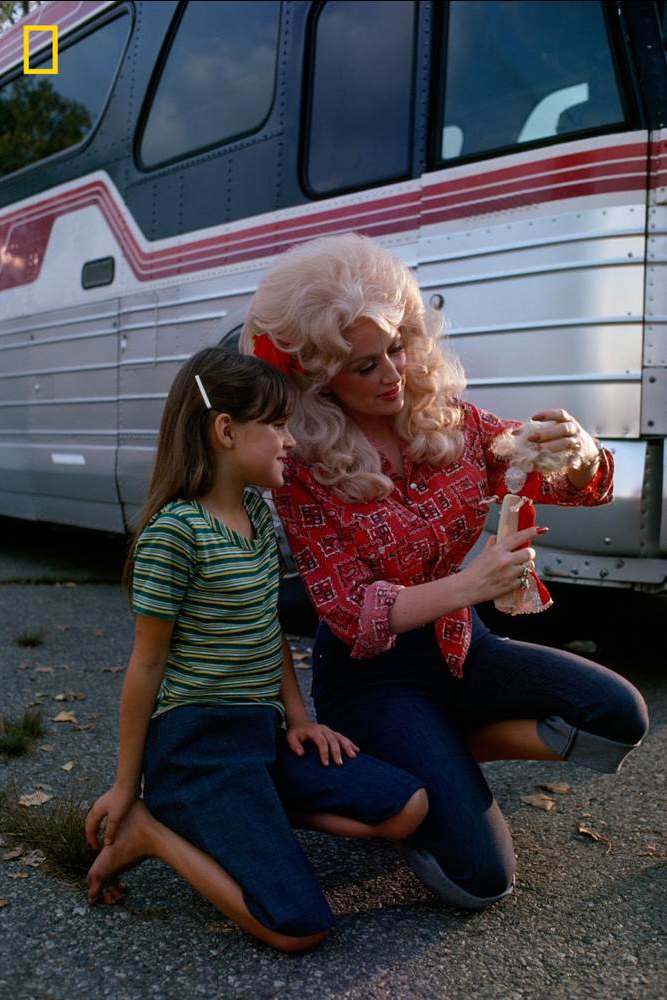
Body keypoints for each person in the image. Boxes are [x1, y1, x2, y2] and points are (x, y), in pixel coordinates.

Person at [243, 233, 649, 911]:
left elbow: (569, 480)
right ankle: (401, 764)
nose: (393, 375)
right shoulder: (303, 472)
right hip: (375, 682)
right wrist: (472, 585)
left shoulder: (449, 421)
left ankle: (445, 753)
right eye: (364, 366)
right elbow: (350, 614)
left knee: (618, 714)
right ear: (319, 379)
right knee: (479, 881)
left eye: (398, 346)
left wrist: (577, 453)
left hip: (465, 649)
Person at [84, 348, 428, 952]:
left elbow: (266, 630)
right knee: (297, 928)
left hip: (261, 736)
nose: (290, 442)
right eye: (277, 425)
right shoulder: (175, 533)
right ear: (225, 431)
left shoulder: (257, 518)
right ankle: (153, 831)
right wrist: (125, 787)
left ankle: (244, 816)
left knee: (406, 805)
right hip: (199, 748)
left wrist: (299, 721)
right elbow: (146, 667)